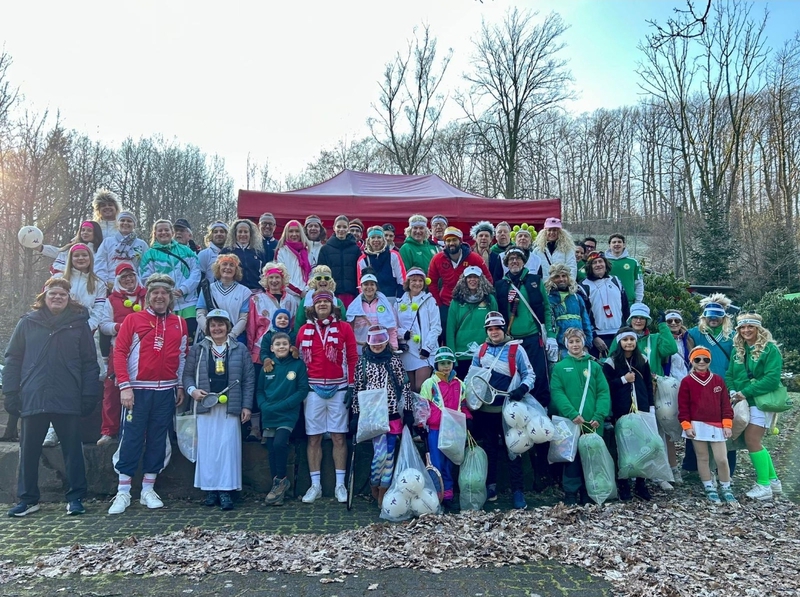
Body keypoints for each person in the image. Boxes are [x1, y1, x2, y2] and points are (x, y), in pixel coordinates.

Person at [4, 278, 100, 517]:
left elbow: (90, 363)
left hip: (68, 396)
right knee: (28, 451)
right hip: (33, 395)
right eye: (53, 294)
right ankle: (28, 500)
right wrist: (10, 392)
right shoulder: (27, 323)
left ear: (69, 298)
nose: (57, 297)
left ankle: (76, 498)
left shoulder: (79, 325)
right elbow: (13, 359)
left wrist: (89, 394)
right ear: (44, 297)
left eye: (62, 294)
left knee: (73, 451)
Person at [108, 273, 188, 515]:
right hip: (137, 390)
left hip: (165, 391)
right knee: (131, 438)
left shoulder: (180, 322)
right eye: (155, 293)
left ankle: (148, 489)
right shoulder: (133, 319)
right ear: (148, 296)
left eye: (164, 293)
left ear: (170, 297)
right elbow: (119, 353)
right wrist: (125, 386)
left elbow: (182, 356)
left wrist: (179, 385)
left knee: (158, 438)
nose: (159, 297)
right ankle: (123, 491)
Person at [185, 309, 255, 511]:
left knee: (227, 449)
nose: (217, 328)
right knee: (207, 449)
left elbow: (248, 379)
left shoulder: (239, 349)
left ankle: (225, 490)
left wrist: (246, 406)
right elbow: (187, 375)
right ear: (208, 328)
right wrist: (192, 391)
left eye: (221, 324)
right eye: (213, 325)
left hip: (229, 407)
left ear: (228, 326)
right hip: (205, 406)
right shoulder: (198, 349)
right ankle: (210, 490)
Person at [297, 291, 358, 504]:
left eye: (326, 301)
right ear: (312, 307)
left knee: (338, 437)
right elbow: (299, 361)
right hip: (312, 389)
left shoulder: (345, 328)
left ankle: (340, 484)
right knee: (313, 438)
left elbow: (352, 357)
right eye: (319, 302)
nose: (322, 304)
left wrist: (352, 386)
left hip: (339, 388)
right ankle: (316, 485)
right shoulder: (303, 330)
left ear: (333, 305)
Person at [470, 311, 534, 510]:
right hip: (486, 410)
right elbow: (473, 378)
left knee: (515, 449)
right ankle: (491, 487)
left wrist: (522, 389)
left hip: (510, 410)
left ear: (504, 329)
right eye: (490, 329)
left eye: (497, 328)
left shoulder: (516, 349)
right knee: (489, 449)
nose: (494, 332)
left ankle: (518, 491)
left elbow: (529, 374)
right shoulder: (480, 351)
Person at [350, 324, 414, 508]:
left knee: (390, 456)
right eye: (374, 341)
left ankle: (384, 491)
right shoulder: (363, 362)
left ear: (386, 342)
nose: (377, 345)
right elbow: (358, 389)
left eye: (380, 341)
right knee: (380, 455)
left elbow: (405, 386)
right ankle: (374, 484)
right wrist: (356, 414)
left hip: (392, 414)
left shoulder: (394, 361)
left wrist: (408, 411)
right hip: (373, 416)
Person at [725, 312, 784, 501]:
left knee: (752, 440)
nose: (746, 330)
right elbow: (730, 374)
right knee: (754, 441)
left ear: (759, 328)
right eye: (742, 327)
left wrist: (745, 392)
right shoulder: (738, 349)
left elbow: (772, 379)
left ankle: (763, 485)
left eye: (750, 326)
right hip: (742, 401)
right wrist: (732, 391)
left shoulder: (770, 349)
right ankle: (773, 481)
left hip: (760, 401)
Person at [549, 328, 611, 505]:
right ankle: (570, 492)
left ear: (583, 342)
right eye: (571, 341)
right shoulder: (559, 367)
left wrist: (599, 415)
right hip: (571, 422)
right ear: (566, 344)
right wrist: (571, 413)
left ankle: (588, 491)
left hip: (592, 421)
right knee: (571, 459)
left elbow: (603, 392)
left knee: (591, 457)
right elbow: (557, 392)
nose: (575, 345)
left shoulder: (595, 366)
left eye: (578, 341)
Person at [246, 261, 300, 441]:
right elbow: (251, 327)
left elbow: (293, 325)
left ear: (283, 280)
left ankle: (279, 428)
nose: (274, 281)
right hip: (261, 350)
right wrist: (251, 350)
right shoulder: (257, 299)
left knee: (279, 390)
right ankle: (256, 428)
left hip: (284, 352)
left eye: (278, 277)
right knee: (259, 388)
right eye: (271, 278)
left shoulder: (291, 300)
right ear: (266, 280)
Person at [684, 294, 736, 475]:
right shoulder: (694, 333)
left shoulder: (732, 336)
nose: (713, 319)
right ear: (704, 317)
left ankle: (727, 469)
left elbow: (736, 361)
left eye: (717, 316)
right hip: (699, 386)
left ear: (724, 317)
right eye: (710, 316)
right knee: (696, 424)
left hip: (724, 386)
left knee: (725, 425)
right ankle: (691, 466)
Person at [495, 247, 554, 406]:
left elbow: (547, 309)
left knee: (538, 374)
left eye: (518, 258)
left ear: (524, 261)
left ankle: (541, 408)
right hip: (511, 340)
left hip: (533, 337)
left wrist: (551, 335)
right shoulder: (500, 285)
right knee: (515, 376)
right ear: (506, 263)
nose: (514, 261)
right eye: (511, 259)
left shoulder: (535, 280)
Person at [97, 263, 147, 446]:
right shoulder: (111, 300)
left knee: (143, 389)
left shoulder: (147, 295)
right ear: (118, 280)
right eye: (124, 277)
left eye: (131, 275)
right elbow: (104, 325)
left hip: (145, 349)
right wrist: (121, 327)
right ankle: (109, 431)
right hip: (119, 348)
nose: (128, 280)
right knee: (112, 389)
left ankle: (141, 430)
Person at [602, 326, 654, 501]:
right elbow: (606, 386)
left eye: (632, 339)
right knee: (623, 446)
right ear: (619, 342)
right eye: (625, 340)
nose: (629, 343)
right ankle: (623, 483)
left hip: (641, 408)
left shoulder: (642, 360)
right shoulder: (611, 362)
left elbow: (648, 384)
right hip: (622, 410)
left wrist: (650, 406)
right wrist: (624, 380)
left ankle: (640, 482)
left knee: (642, 446)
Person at [678, 347, 735, 504]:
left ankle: (726, 487)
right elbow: (683, 407)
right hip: (697, 425)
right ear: (692, 361)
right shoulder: (687, 381)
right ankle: (709, 486)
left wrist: (727, 424)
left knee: (721, 459)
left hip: (717, 425)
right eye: (697, 359)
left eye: (705, 359)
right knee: (702, 457)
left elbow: (726, 405)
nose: (701, 362)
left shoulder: (718, 380)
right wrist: (686, 425)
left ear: (710, 361)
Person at [259, 332, 309, 506]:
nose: (281, 347)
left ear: (290, 346)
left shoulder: (298, 365)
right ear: (271, 348)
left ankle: (281, 480)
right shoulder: (267, 366)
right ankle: (277, 487)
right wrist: (263, 405)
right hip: (269, 413)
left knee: (280, 443)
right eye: (278, 344)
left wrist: (285, 405)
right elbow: (260, 391)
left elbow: (302, 390)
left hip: (287, 414)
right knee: (271, 448)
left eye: (284, 344)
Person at [418, 346, 471, 511]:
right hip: (435, 428)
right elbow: (422, 406)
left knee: (449, 463)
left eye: (448, 363)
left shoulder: (460, 384)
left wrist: (468, 419)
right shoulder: (429, 384)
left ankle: (448, 495)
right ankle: (436, 495)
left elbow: (463, 404)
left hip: (454, 430)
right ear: (436, 365)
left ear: (453, 364)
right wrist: (420, 425)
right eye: (442, 363)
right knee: (436, 463)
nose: (446, 366)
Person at [139, 219, 200, 341]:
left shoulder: (186, 251)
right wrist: (166, 292)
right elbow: (146, 279)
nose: (163, 232)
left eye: (166, 230)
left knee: (189, 340)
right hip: (164, 304)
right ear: (155, 233)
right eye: (160, 230)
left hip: (188, 302)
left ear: (172, 232)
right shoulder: (149, 254)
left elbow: (196, 272)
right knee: (167, 341)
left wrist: (183, 289)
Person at [428, 226, 492, 335]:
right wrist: (438, 303)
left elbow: (488, 280)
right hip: (446, 304)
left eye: (454, 240)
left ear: (460, 241)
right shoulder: (437, 259)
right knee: (446, 334)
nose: (451, 243)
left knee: (467, 333)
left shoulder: (474, 258)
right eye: (448, 240)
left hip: (469, 303)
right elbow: (431, 282)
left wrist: (478, 298)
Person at [446, 267, 498, 379]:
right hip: (462, 355)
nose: (472, 280)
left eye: (475, 277)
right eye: (469, 277)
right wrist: (453, 359)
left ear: (481, 279)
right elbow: (450, 331)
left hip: (486, 354)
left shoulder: (490, 300)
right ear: (464, 280)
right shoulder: (456, 301)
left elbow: (497, 327)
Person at [396, 267, 441, 393]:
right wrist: (402, 334)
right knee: (410, 390)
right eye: (414, 280)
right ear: (408, 282)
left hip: (424, 351)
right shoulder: (399, 303)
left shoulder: (430, 301)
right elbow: (394, 327)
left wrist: (427, 348)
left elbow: (436, 327)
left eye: (420, 280)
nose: (417, 283)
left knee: (421, 387)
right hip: (407, 351)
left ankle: (427, 407)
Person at [580, 251, 630, 357]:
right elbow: (583, 316)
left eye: (600, 261)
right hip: (599, 337)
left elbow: (625, 307)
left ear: (605, 264)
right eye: (594, 263)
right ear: (589, 266)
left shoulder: (616, 280)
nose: (598, 265)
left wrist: (628, 330)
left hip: (619, 333)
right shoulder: (583, 286)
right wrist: (593, 337)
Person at [196, 253, 251, 344]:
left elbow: (243, 319)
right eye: (224, 264)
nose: (228, 267)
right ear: (218, 268)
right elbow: (200, 314)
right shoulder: (207, 289)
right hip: (211, 339)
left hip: (235, 339)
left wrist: (231, 336)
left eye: (232, 265)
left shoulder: (245, 292)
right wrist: (210, 333)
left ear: (236, 270)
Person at [346, 270, 399, 354]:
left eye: (372, 284)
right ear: (361, 286)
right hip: (360, 349)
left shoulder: (386, 305)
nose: (369, 287)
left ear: (376, 286)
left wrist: (393, 347)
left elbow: (392, 328)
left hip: (381, 348)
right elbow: (349, 330)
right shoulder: (353, 307)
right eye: (366, 284)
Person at [546, 264, 593, 359]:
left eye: (564, 276)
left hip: (579, 345)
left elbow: (585, 321)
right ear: (552, 279)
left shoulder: (576, 297)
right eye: (557, 277)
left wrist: (587, 343)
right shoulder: (548, 299)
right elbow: (549, 323)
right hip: (560, 347)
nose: (561, 279)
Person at [94, 212, 149, 287]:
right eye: (122, 220)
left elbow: (145, 267)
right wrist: (104, 283)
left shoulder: (142, 244)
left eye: (129, 221)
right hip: (110, 284)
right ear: (117, 224)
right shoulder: (107, 242)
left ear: (134, 225)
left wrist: (140, 285)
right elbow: (100, 264)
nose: (125, 223)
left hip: (133, 285)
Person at [317, 215, 361, 308]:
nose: (341, 229)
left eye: (344, 227)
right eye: (339, 226)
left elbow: (359, 272)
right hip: (332, 293)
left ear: (348, 229)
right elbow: (321, 272)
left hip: (351, 293)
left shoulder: (355, 249)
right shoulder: (325, 249)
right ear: (334, 228)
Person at [35, 220, 103, 276]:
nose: (85, 233)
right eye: (83, 230)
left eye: (89, 230)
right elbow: (58, 252)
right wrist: (41, 248)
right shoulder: (72, 247)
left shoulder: (100, 251)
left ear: (96, 233)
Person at [357, 226, 406, 301]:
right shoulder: (363, 259)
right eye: (373, 237)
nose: (376, 240)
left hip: (392, 297)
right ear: (368, 240)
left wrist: (400, 298)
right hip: (373, 299)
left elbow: (402, 278)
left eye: (379, 237)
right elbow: (361, 283)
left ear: (383, 240)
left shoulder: (393, 255)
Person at [294, 264, 347, 332]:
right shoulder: (305, 302)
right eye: (319, 278)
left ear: (330, 281)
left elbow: (343, 324)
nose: (322, 280)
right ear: (314, 281)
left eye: (326, 278)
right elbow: (298, 325)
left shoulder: (338, 302)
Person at [220, 219, 266, 292]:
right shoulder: (226, 251)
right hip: (235, 291)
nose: (243, 234)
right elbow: (218, 272)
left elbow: (264, 274)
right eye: (240, 231)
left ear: (250, 234)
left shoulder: (258, 252)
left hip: (256, 291)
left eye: (246, 232)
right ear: (235, 234)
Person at [275, 219, 312, 299]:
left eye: (297, 231)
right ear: (286, 233)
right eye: (291, 231)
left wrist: (307, 289)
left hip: (307, 294)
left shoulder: (308, 251)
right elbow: (281, 275)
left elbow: (312, 273)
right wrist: (299, 292)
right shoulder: (281, 251)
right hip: (288, 295)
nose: (294, 234)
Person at [605, 233, 644, 304]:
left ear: (624, 245)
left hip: (629, 302)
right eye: (614, 242)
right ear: (609, 245)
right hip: (608, 302)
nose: (617, 244)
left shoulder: (633, 262)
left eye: (619, 242)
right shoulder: (602, 262)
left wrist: (638, 302)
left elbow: (639, 283)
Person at [664, 310, 691, 381]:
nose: (673, 323)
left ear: (681, 323)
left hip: (686, 379)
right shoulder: (660, 339)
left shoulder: (689, 339)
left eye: (677, 321)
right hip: (668, 381)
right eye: (669, 321)